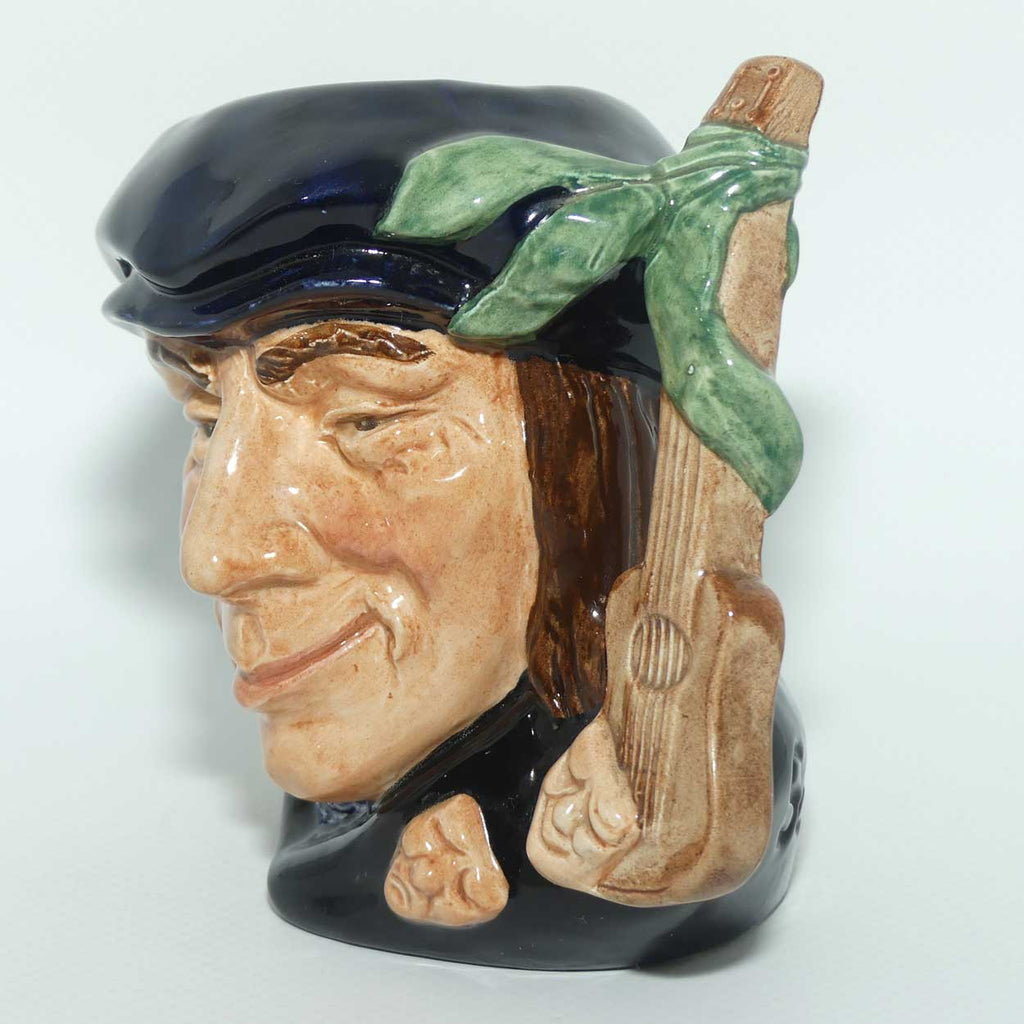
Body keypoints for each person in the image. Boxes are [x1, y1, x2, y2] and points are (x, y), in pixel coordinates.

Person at [99, 80, 805, 968]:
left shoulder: (643, 806)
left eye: (366, 420)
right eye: (206, 421)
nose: (214, 554)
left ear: (595, 462)